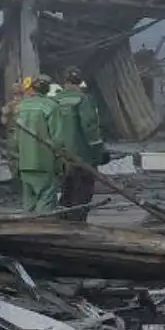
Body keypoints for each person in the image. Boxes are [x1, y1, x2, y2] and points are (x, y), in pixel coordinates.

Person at [53, 67, 106, 220]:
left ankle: (63, 221)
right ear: (80, 81)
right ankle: (78, 223)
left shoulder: (55, 100)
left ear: (64, 82)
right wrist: (99, 152)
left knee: (66, 190)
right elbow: (89, 128)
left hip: (60, 155)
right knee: (82, 191)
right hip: (82, 156)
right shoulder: (83, 100)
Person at [14, 76, 62, 214]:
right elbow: (57, 139)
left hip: (25, 162)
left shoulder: (21, 107)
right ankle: (43, 230)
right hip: (44, 162)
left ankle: (28, 230)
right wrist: (60, 161)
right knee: (46, 198)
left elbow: (16, 137)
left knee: (29, 202)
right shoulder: (51, 106)